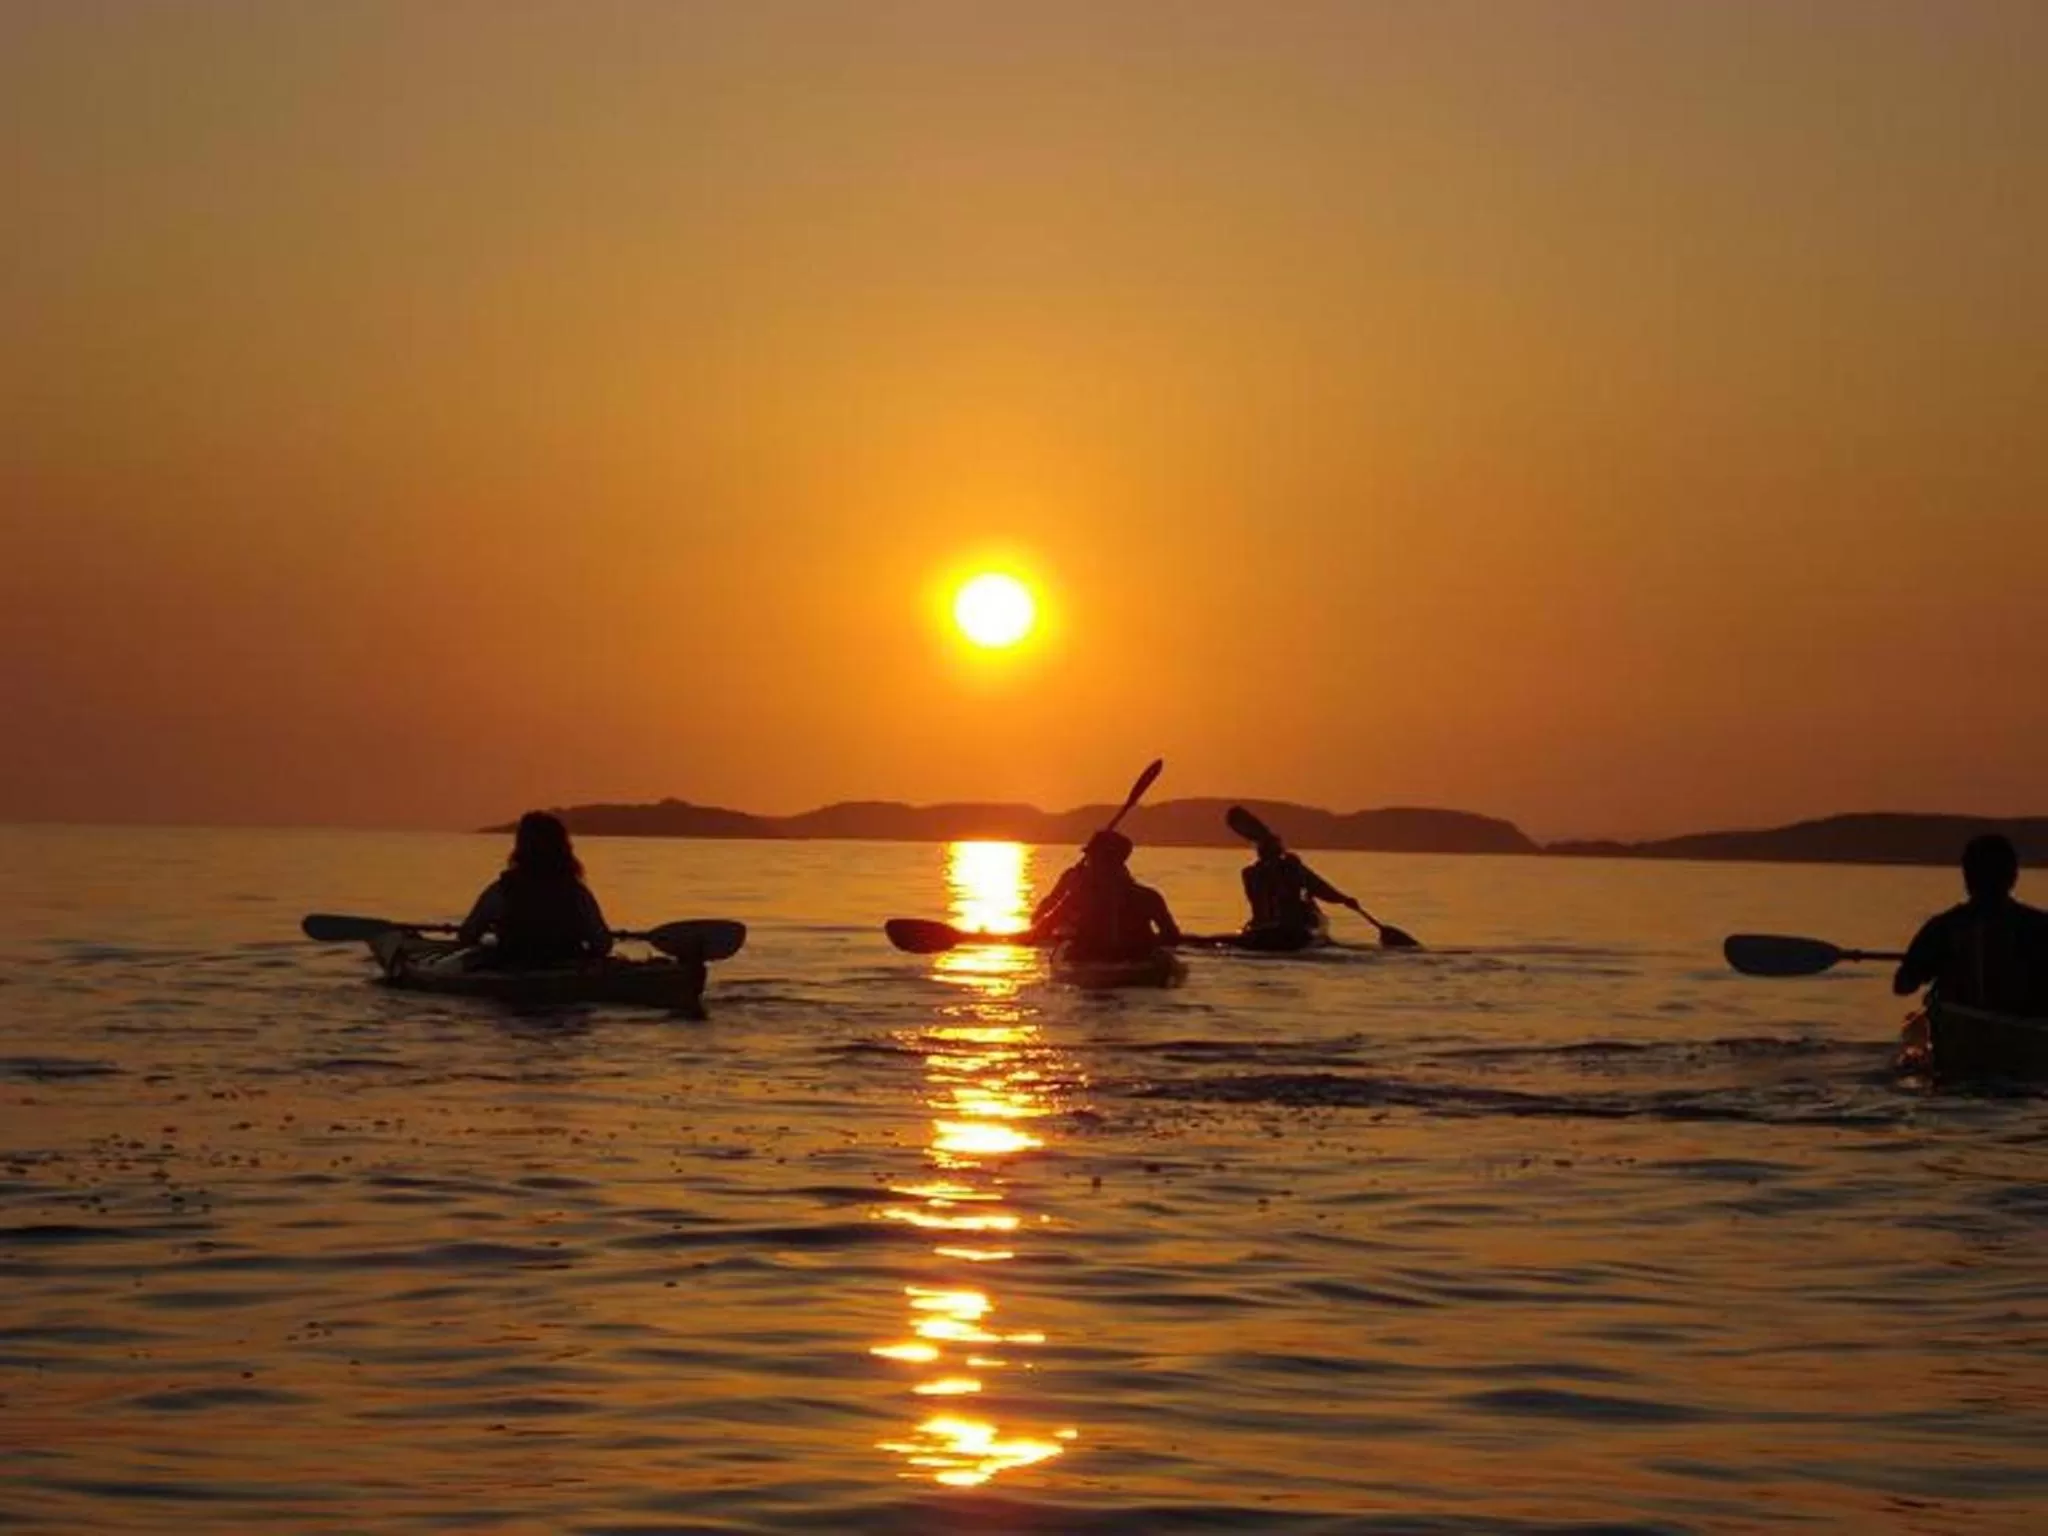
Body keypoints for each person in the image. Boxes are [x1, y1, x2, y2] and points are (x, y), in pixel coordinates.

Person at [1892, 834, 2048, 1013]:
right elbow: (1902, 985)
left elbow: (1903, 986)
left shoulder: (1942, 928)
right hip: (2029, 1030)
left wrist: (1930, 964)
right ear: (2013, 877)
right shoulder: (2041, 925)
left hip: (1961, 1026)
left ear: (1967, 877)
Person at [457, 811, 613, 968]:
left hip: (513, 971)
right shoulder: (577, 893)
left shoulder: (501, 891)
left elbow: (467, 935)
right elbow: (602, 944)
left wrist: (489, 942)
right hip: (565, 971)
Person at [1029, 829, 1180, 957]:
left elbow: (1042, 929)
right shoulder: (1149, 896)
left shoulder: (1078, 897)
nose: (1089, 864)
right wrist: (1148, 943)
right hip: (1137, 960)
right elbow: (1171, 937)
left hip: (1091, 961)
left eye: (1092, 859)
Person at [1241, 830, 1358, 948]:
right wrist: (1344, 899)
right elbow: (1320, 889)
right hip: (1291, 925)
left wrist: (1344, 899)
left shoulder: (1249, 873)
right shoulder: (1290, 869)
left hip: (1266, 925)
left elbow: (1320, 888)